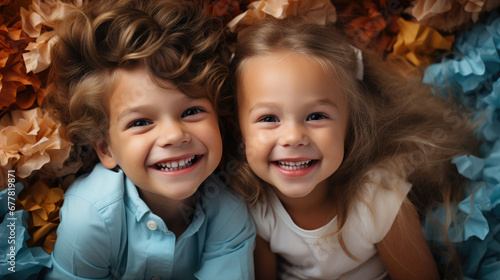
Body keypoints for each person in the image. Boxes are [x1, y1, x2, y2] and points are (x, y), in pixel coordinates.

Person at [222, 17, 477, 280]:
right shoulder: (255, 205)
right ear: (239, 132)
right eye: (268, 119)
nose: (293, 137)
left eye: (316, 116)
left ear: (349, 125)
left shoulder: (379, 202)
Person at [43, 0, 255, 279]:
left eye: (191, 111)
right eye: (140, 122)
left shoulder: (228, 212)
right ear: (106, 149)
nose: (174, 135)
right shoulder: (90, 218)